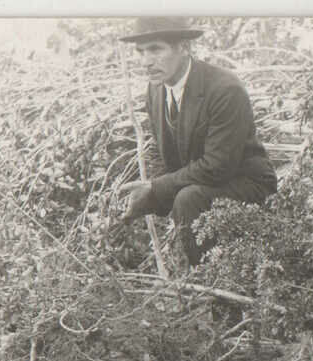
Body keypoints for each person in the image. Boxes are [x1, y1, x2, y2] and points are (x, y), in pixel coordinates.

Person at [117, 17, 277, 269]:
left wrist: (156, 188)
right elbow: (162, 154)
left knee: (188, 199)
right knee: (184, 197)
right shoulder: (156, 90)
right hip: (204, 184)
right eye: (141, 52)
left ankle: (212, 286)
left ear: (184, 47)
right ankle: (203, 279)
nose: (146, 61)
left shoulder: (224, 88)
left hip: (249, 185)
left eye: (156, 49)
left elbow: (218, 166)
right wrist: (150, 196)